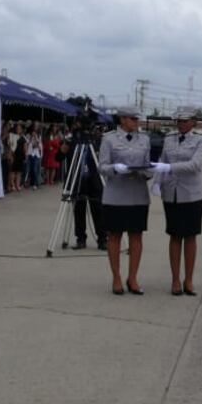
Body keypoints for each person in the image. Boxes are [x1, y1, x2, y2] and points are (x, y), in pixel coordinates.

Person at [154, 107, 202, 297]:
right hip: (172, 192)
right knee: (175, 235)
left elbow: (195, 165)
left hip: (192, 193)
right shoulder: (169, 138)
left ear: (194, 121)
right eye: (179, 121)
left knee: (191, 236)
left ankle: (189, 279)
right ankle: (175, 279)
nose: (182, 124)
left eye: (185, 121)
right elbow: (162, 160)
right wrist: (157, 183)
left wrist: (169, 167)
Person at [99, 108, 153, 295]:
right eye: (133, 118)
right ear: (122, 120)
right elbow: (102, 166)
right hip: (116, 194)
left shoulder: (144, 139)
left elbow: (147, 164)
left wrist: (148, 171)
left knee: (136, 236)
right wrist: (116, 168)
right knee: (114, 236)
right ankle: (116, 278)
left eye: (137, 118)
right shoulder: (109, 139)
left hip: (138, 194)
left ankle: (133, 277)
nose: (136, 121)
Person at [66, 123, 106, 251]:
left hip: (94, 181)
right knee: (79, 211)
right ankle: (80, 239)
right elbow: (60, 156)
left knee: (98, 211)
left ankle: (102, 239)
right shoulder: (72, 140)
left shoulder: (97, 141)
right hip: (78, 180)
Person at [25, 124, 43, 190]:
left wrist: (36, 138)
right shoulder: (28, 136)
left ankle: (35, 184)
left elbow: (38, 145)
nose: (34, 132)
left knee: (35, 169)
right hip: (29, 154)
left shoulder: (38, 136)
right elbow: (27, 144)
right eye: (33, 130)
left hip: (36, 155)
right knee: (28, 169)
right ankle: (27, 182)